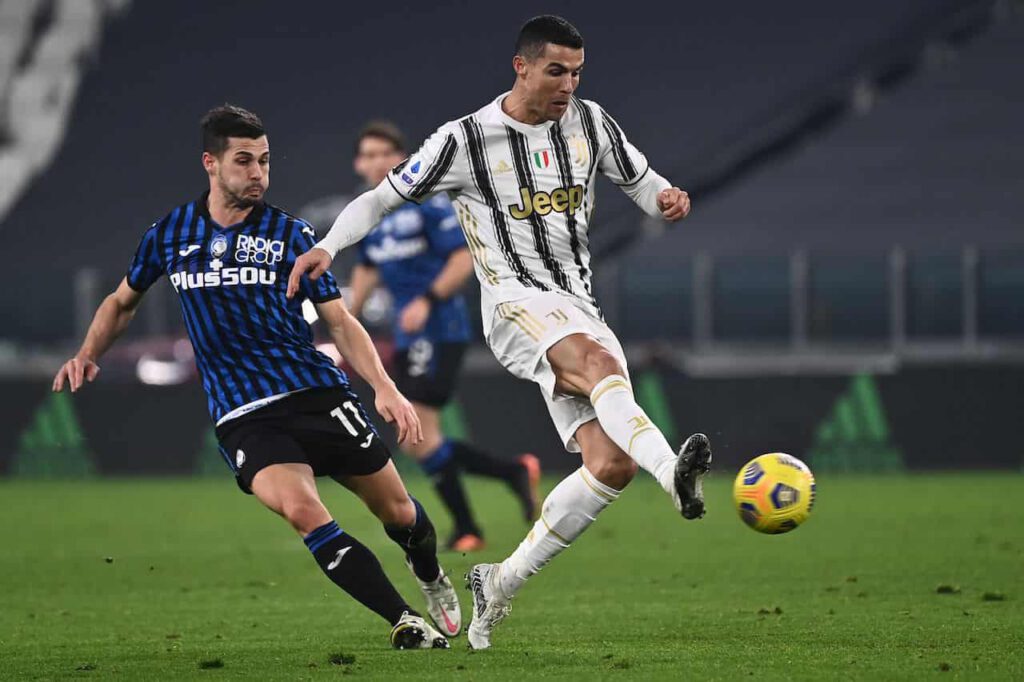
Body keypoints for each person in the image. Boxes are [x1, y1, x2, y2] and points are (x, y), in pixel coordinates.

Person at [289, 15, 711, 650]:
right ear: (522, 66)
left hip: (579, 304)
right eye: (555, 70)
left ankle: (499, 581)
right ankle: (672, 473)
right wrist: (327, 246)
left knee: (608, 464)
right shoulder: (466, 140)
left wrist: (668, 199)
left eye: (576, 71)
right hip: (514, 304)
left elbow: (644, 183)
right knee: (599, 369)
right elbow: (379, 200)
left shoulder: (592, 123)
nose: (569, 83)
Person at [52, 105, 461, 649]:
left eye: (265, 161)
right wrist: (88, 351)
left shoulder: (292, 235)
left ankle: (429, 574)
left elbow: (340, 321)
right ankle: (404, 619)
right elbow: (123, 302)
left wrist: (385, 387)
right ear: (211, 163)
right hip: (243, 414)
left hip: (315, 395)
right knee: (303, 511)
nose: (258, 173)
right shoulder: (170, 234)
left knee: (400, 514)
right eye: (244, 161)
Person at [346, 120, 541, 552]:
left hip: (440, 330)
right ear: (359, 163)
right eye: (368, 154)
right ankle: (509, 474)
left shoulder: (427, 204)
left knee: (418, 433)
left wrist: (427, 300)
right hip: (407, 338)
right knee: (419, 438)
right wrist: (345, 317)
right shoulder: (369, 214)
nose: (376, 162)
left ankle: (468, 528)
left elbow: (462, 259)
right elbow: (367, 267)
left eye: (385, 153)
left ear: (401, 158)